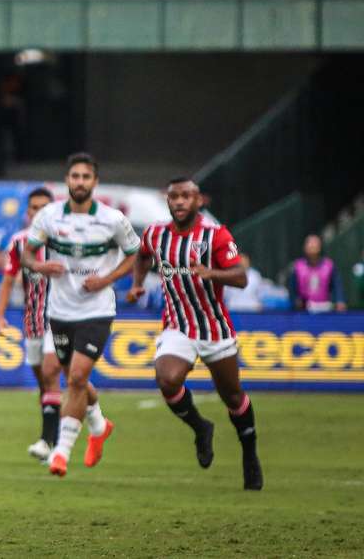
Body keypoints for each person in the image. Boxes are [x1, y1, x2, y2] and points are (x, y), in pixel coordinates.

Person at [121, 178, 263, 490]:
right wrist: (137, 284)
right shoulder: (156, 234)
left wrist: (212, 273)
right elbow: (142, 256)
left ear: (198, 201)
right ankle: (201, 428)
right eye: (174, 196)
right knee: (167, 379)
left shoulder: (216, 235)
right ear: (167, 201)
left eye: (186, 196)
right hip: (178, 326)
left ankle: (249, 454)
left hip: (214, 328)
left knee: (232, 395)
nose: (180, 202)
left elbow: (240, 277)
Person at [21, 152, 139, 478]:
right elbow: (27, 254)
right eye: (75, 176)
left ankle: (61, 452)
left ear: (95, 182)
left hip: (96, 310)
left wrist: (107, 279)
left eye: (86, 177)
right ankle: (99, 425)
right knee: (76, 378)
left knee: (74, 378)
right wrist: (41, 266)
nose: (80, 182)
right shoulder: (48, 216)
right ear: (67, 180)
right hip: (60, 311)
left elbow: (134, 253)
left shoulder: (112, 220)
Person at [0, 186, 62, 462]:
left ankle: (48, 441)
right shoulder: (19, 242)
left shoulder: (65, 240)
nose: (38, 212)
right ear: (27, 212)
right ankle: (72, 429)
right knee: (44, 381)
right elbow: (8, 281)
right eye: (34, 207)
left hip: (61, 318)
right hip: (33, 320)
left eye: (44, 207)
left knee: (50, 373)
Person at [288, 235, 347, 312]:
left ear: (320, 247)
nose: (312, 246)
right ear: (305, 247)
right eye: (310, 244)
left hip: (325, 309)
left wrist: (340, 300)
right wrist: (296, 301)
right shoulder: (298, 266)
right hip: (303, 310)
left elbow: (337, 285)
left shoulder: (329, 265)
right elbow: (292, 289)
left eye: (315, 244)